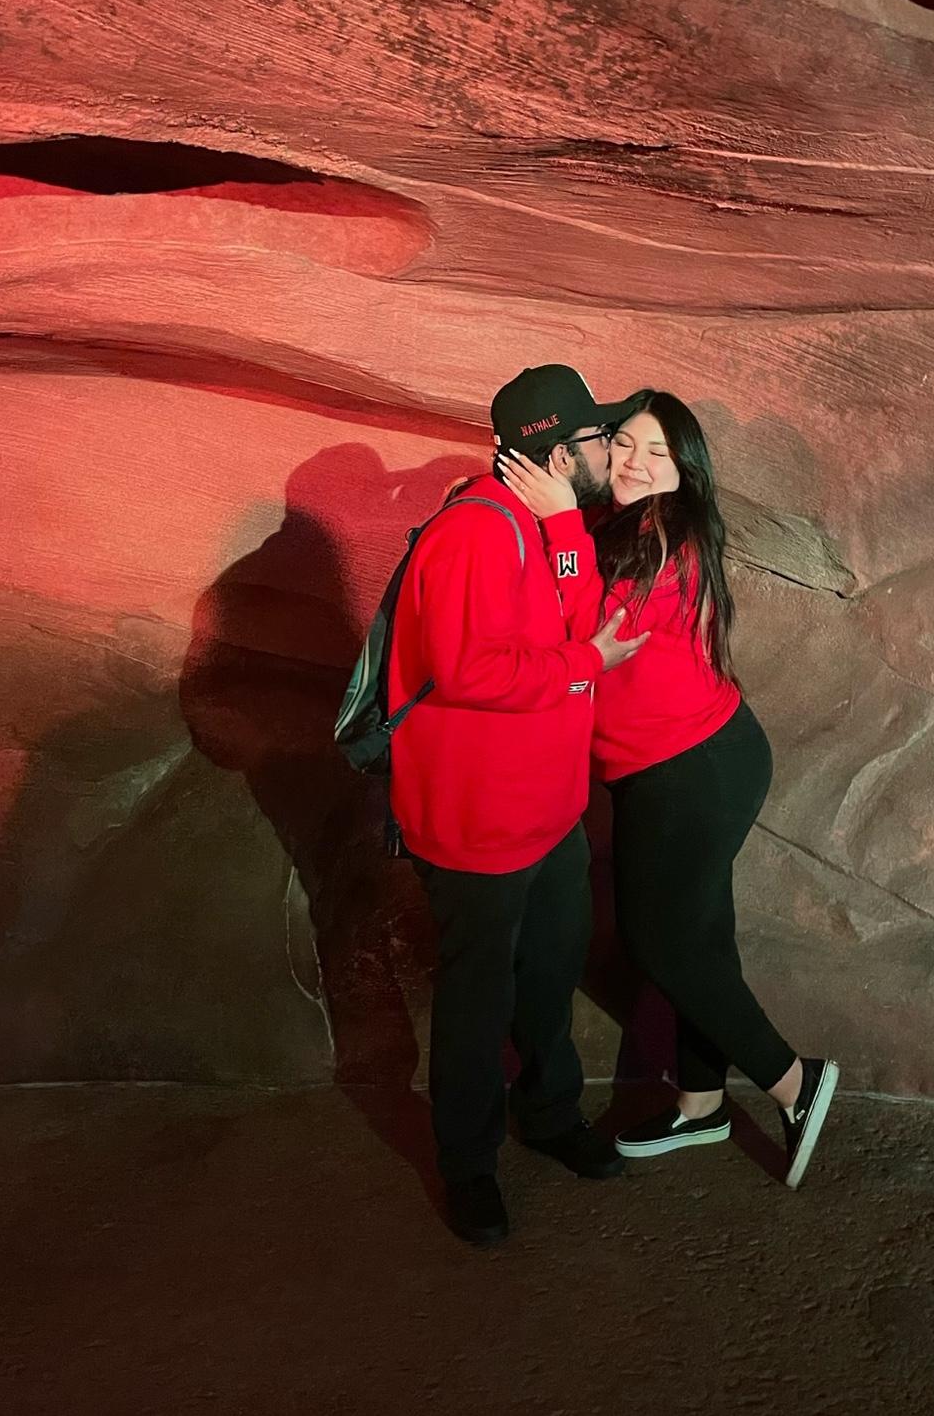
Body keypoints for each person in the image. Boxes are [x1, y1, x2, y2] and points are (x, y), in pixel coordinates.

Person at [500, 389, 838, 1189]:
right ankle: (701, 1103)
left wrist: (559, 521)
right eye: (623, 442)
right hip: (677, 764)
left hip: (692, 769)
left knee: (663, 941)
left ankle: (795, 1082)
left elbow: (594, 635)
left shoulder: (666, 534)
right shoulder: (620, 525)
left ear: (685, 471)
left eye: (657, 452)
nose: (634, 462)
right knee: (701, 938)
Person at [387, 364, 648, 1245]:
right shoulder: (475, 533)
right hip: (480, 826)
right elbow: (472, 672)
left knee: (546, 979)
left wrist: (567, 525)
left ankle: (549, 1116)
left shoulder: (543, 524)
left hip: (548, 815)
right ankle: (468, 1164)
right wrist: (587, 669)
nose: (611, 451)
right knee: (476, 1002)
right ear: (556, 451)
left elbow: (579, 622)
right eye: (598, 439)